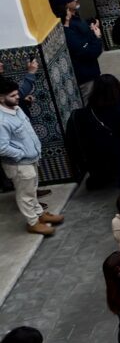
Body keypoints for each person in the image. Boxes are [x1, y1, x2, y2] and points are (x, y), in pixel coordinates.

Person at [0, 77, 53, 237]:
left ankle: (39, 215)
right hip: (19, 164)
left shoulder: (16, 108)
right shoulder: (1, 121)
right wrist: (21, 154)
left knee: (32, 190)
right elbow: (2, 147)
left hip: (30, 159)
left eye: (17, 94)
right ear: (1, 98)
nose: (18, 97)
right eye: (13, 95)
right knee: (25, 195)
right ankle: (33, 222)